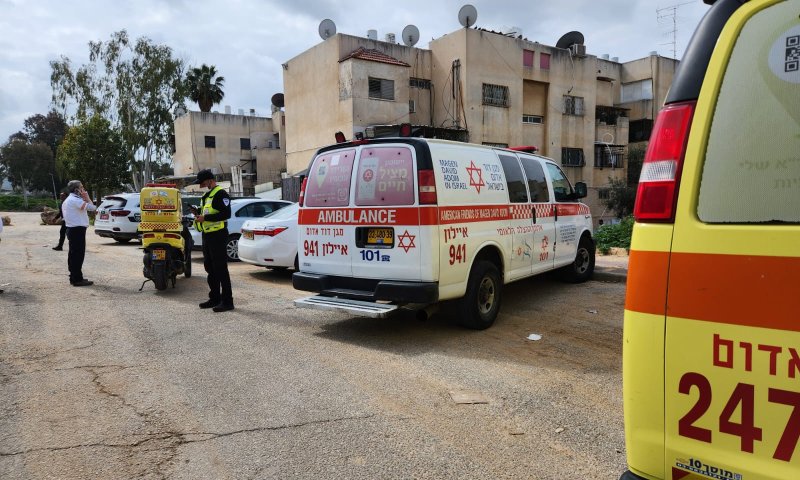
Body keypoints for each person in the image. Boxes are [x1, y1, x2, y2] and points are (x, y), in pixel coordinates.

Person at [193, 169, 234, 312]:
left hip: (218, 235)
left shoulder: (220, 194)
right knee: (210, 268)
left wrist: (205, 218)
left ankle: (228, 301)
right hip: (207, 235)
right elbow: (207, 213)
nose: (201, 185)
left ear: (210, 180)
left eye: (202, 182)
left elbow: (226, 214)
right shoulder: (206, 196)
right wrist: (197, 214)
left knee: (221, 269)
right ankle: (215, 298)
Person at [63, 180, 97, 286]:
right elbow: (93, 208)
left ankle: (75, 276)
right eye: (81, 187)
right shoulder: (75, 200)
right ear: (77, 189)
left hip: (73, 230)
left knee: (74, 254)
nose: (83, 189)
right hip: (76, 230)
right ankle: (76, 279)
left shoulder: (72, 199)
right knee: (77, 255)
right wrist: (87, 198)